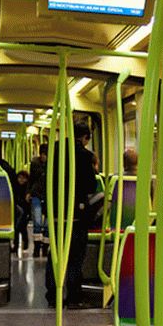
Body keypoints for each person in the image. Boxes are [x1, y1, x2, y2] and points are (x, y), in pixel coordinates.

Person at [46, 121, 98, 308]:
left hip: (55, 212)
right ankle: (74, 297)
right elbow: (91, 186)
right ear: (85, 138)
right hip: (77, 213)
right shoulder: (85, 156)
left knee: (56, 255)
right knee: (75, 257)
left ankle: (53, 296)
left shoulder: (55, 149)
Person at [28, 142, 49, 257]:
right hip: (36, 193)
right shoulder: (35, 164)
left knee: (47, 224)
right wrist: (28, 192)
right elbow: (31, 179)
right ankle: (36, 248)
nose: (43, 157)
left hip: (49, 195)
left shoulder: (52, 164)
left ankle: (45, 247)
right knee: (37, 221)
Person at [13, 170, 31, 253]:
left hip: (24, 211)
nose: (21, 180)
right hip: (20, 210)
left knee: (20, 228)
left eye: (23, 178)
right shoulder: (15, 187)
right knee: (20, 228)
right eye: (19, 178)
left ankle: (18, 244)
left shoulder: (27, 190)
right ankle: (23, 243)